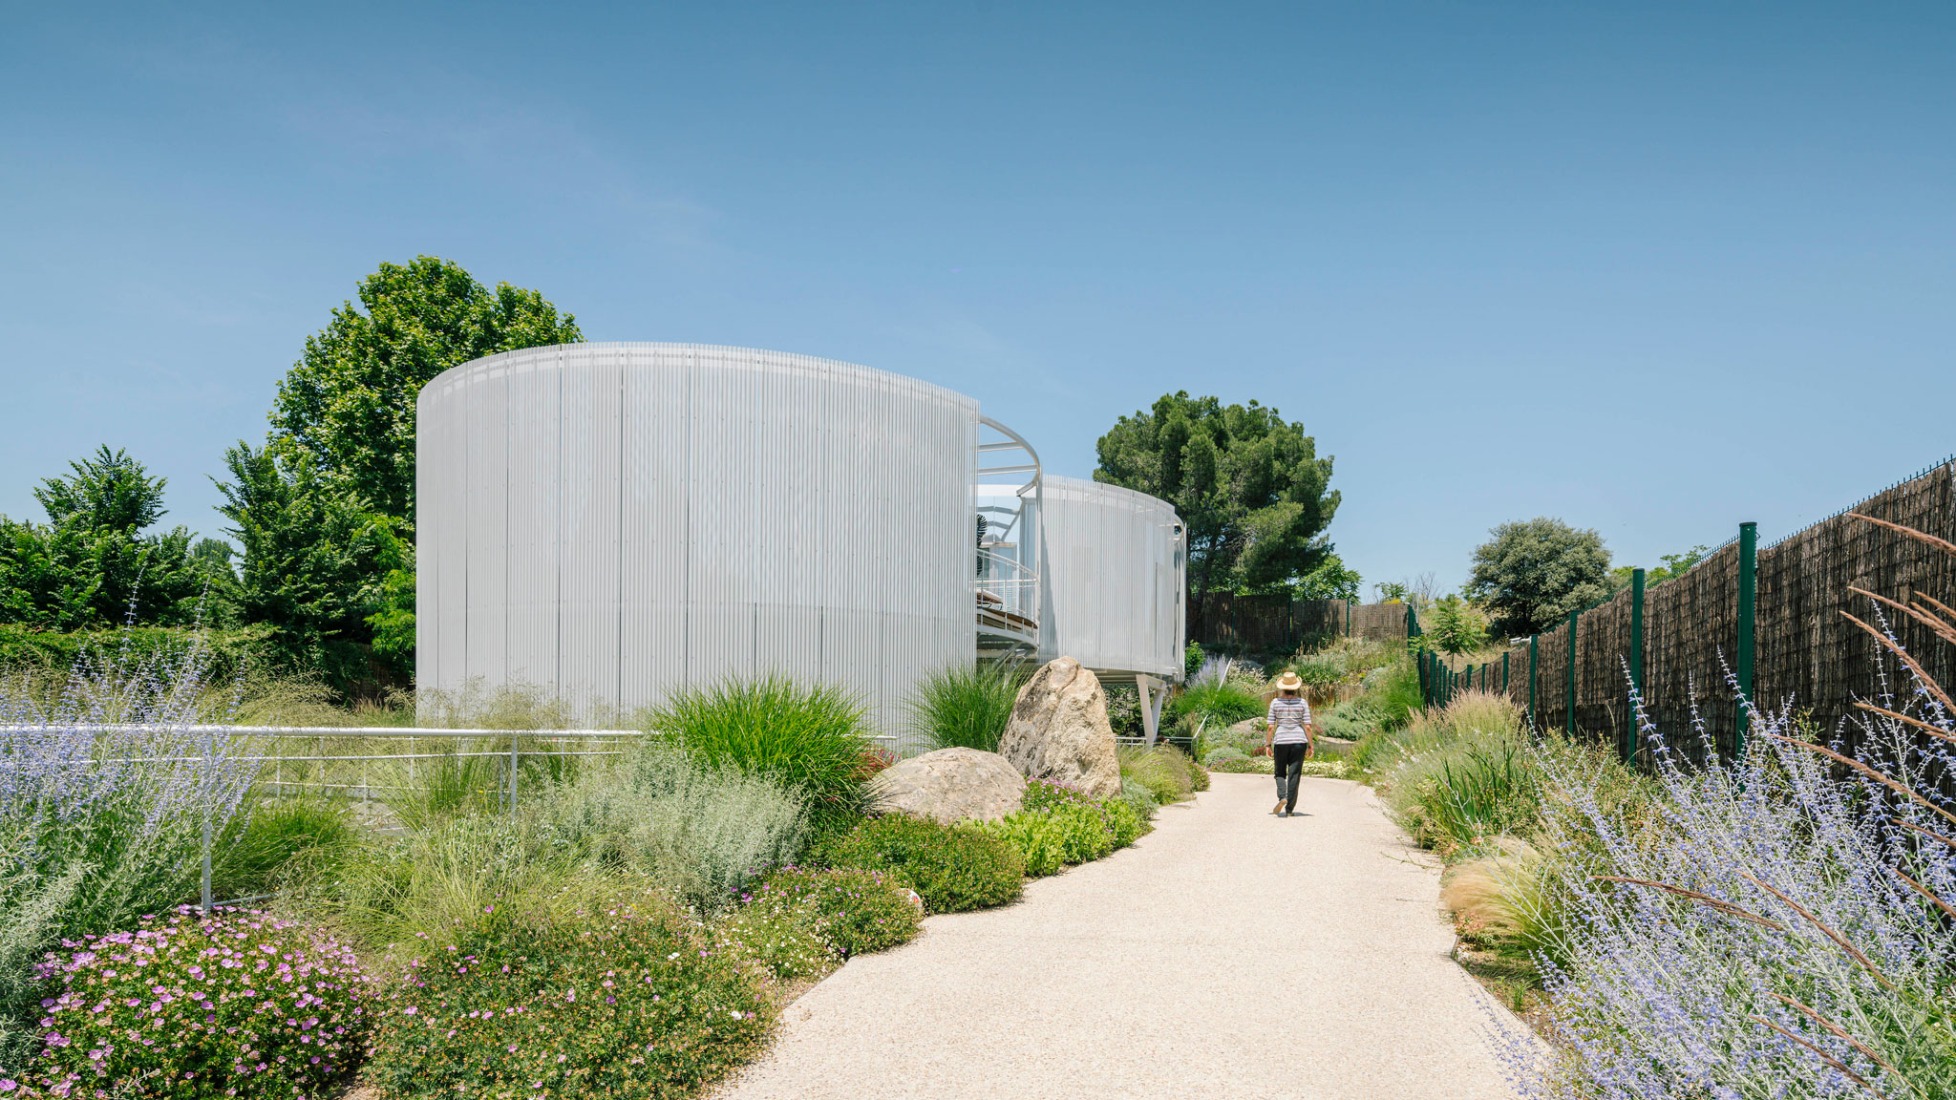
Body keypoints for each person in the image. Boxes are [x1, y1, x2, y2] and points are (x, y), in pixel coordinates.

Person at [1264, 671, 1313, 817]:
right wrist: (1311, 746)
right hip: (1299, 741)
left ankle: (1282, 797)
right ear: (1296, 687)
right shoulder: (1302, 703)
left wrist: (1267, 745)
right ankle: (1290, 810)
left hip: (1281, 741)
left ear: (1282, 687)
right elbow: (1308, 727)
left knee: (1280, 773)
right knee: (1294, 775)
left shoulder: (1275, 703)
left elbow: (1271, 727)